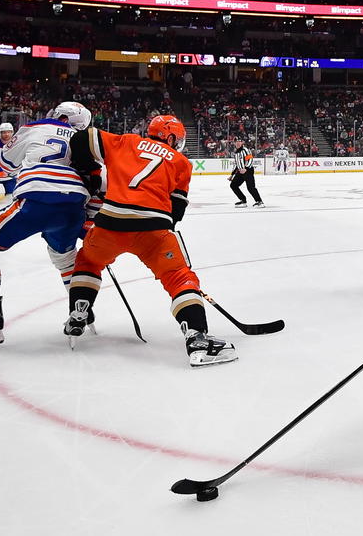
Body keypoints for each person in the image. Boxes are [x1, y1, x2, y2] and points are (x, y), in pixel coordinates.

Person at [63, 115, 236, 367]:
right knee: (178, 276)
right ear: (170, 137)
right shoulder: (180, 162)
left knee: (88, 262)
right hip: (153, 228)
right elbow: (176, 210)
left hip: (109, 222)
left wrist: (89, 174)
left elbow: (81, 138)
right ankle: (197, 338)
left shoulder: (126, 141)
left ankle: (78, 312)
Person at [0, 102, 93, 345]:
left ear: (57, 114)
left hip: (36, 199)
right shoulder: (87, 140)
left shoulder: (36, 127)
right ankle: (80, 310)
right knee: (65, 258)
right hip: (74, 206)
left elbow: (5, 167)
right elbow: (96, 178)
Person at [229, 138, 264, 207]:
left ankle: (259, 201)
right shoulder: (236, 152)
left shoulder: (245, 150)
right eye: (236, 142)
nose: (238, 143)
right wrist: (232, 175)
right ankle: (243, 201)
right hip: (240, 172)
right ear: (234, 143)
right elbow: (236, 164)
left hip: (248, 171)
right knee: (233, 185)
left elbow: (250, 159)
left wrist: (246, 168)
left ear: (242, 143)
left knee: (250, 187)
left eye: (239, 141)